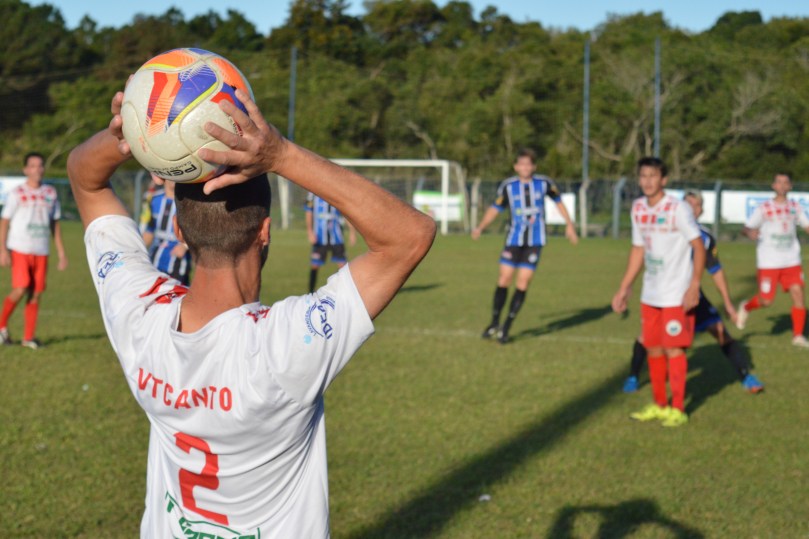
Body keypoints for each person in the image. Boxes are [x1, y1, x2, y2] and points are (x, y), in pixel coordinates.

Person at [68, 88, 435, 538]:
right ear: (264, 231)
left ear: (180, 230)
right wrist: (280, 155)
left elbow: (84, 177)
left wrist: (131, 133)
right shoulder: (282, 349)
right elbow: (410, 235)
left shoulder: (138, 315)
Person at [622, 190, 764, 395]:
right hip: (666, 294)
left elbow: (715, 270)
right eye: (687, 203)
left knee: (721, 332)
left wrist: (728, 302)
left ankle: (746, 376)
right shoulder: (666, 227)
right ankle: (633, 377)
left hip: (692, 295)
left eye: (695, 205)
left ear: (701, 210)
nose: (690, 208)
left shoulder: (705, 238)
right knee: (648, 338)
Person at [612, 157, 705, 428]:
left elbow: (698, 246)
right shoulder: (639, 207)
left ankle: (678, 408)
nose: (648, 181)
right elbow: (638, 249)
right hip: (650, 293)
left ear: (663, 180)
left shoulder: (678, 209)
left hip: (676, 293)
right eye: (643, 176)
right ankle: (659, 403)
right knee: (653, 348)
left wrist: (695, 284)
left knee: (673, 349)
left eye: (653, 176)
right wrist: (625, 286)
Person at [471, 148, 578, 344]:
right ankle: (494, 322)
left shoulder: (544, 183)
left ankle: (506, 327)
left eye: (529, 164)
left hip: (535, 242)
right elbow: (495, 209)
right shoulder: (508, 186)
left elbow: (559, 202)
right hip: (513, 240)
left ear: (534, 167)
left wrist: (570, 225)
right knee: (504, 279)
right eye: (521, 164)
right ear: (516, 166)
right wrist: (480, 227)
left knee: (522, 283)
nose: (525, 167)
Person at [0, 152, 68, 349]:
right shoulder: (17, 193)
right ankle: (2, 326)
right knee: (21, 288)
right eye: (32, 166)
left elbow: (54, 225)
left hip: (41, 249)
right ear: (25, 170)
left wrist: (61, 253)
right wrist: (2, 249)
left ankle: (28, 337)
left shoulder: (50, 193)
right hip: (20, 247)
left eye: (40, 165)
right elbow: (5, 221)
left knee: (36, 292)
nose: (37, 169)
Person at [736, 173, 809, 347]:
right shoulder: (764, 208)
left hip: (791, 260)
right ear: (773, 186)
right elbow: (746, 228)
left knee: (798, 294)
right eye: (778, 182)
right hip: (769, 261)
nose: (782, 185)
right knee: (766, 301)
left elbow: (806, 226)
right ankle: (746, 307)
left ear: (790, 186)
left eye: (786, 182)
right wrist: (750, 232)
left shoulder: (795, 207)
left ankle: (798, 336)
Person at [142, 176, 192, 285]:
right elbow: (149, 229)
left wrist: (185, 246)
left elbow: (197, 229)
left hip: (177, 259)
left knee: (177, 294)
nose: (174, 178)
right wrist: (138, 249)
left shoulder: (189, 202)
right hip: (156, 256)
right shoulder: (154, 199)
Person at [305, 192, 356, 293]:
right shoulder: (312, 193)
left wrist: (352, 231)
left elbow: (345, 213)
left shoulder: (336, 191)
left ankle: (341, 291)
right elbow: (309, 212)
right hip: (319, 236)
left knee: (343, 267)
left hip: (336, 236)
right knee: (315, 265)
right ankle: (310, 293)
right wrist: (310, 231)